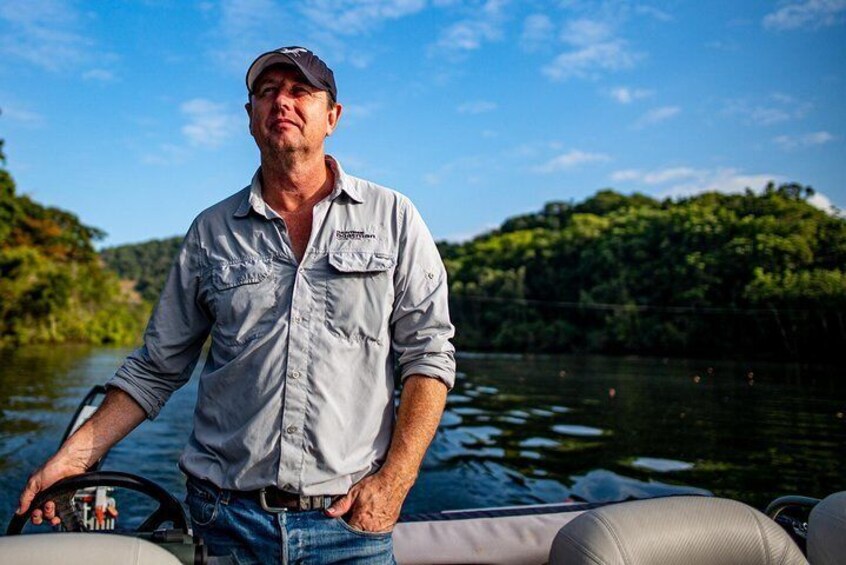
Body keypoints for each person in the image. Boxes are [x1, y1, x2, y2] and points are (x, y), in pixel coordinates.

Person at [17, 46, 456, 564]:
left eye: (300, 91)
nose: (282, 102)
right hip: (223, 522)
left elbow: (428, 355)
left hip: (349, 527)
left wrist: (395, 482)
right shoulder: (210, 232)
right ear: (250, 117)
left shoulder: (395, 217)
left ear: (333, 117)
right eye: (267, 92)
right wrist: (75, 456)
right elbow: (157, 368)